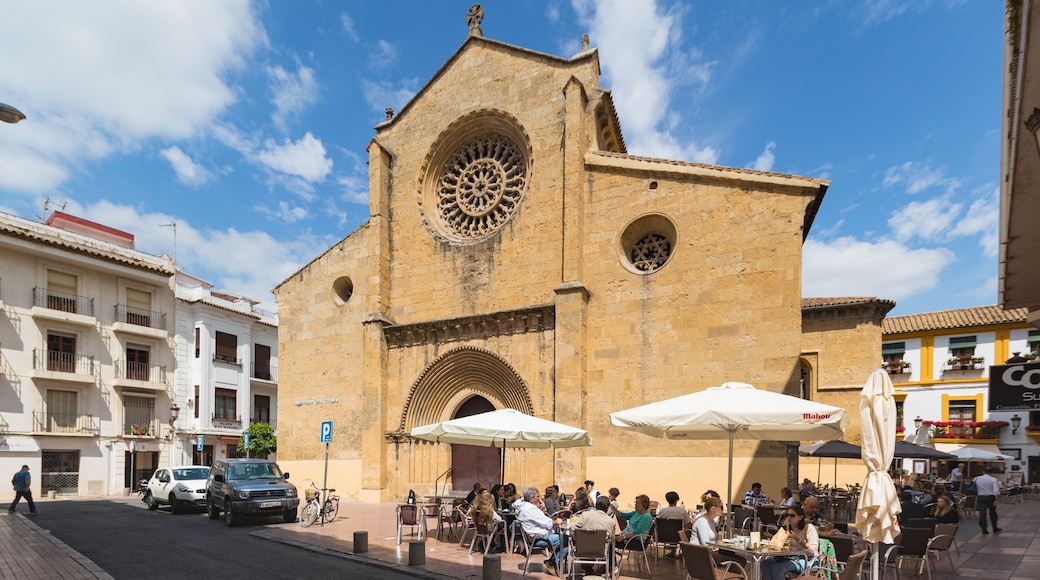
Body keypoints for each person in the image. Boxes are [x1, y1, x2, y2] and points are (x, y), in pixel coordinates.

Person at [515, 487, 566, 576]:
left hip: (534, 536)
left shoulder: (523, 506)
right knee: (567, 540)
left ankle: (553, 561)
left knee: (564, 538)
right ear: (531, 499)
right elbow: (547, 522)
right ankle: (553, 562)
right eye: (538, 497)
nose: (540, 499)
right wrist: (557, 522)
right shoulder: (531, 509)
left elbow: (515, 504)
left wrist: (541, 509)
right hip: (539, 538)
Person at [760, 506, 818, 580]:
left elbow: (813, 550)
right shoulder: (789, 529)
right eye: (787, 515)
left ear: (800, 517)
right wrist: (773, 537)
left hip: (808, 560)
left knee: (777, 568)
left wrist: (797, 538)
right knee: (765, 564)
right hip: (791, 558)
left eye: (792, 516)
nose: (789, 518)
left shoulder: (808, 528)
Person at [573, 496, 619, 575]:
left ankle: (587, 569)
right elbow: (612, 540)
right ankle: (612, 567)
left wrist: (576, 540)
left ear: (595, 505)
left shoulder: (585, 515)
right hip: (600, 552)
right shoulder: (611, 522)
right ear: (608, 508)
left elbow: (573, 528)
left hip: (582, 549)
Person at [973, 467, 1002, 534]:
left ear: (983, 471)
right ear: (991, 472)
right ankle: (994, 527)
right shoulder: (994, 479)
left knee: (982, 513)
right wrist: (996, 499)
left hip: (981, 497)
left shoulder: (976, 478)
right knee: (993, 513)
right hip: (990, 497)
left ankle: (984, 529)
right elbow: (996, 491)